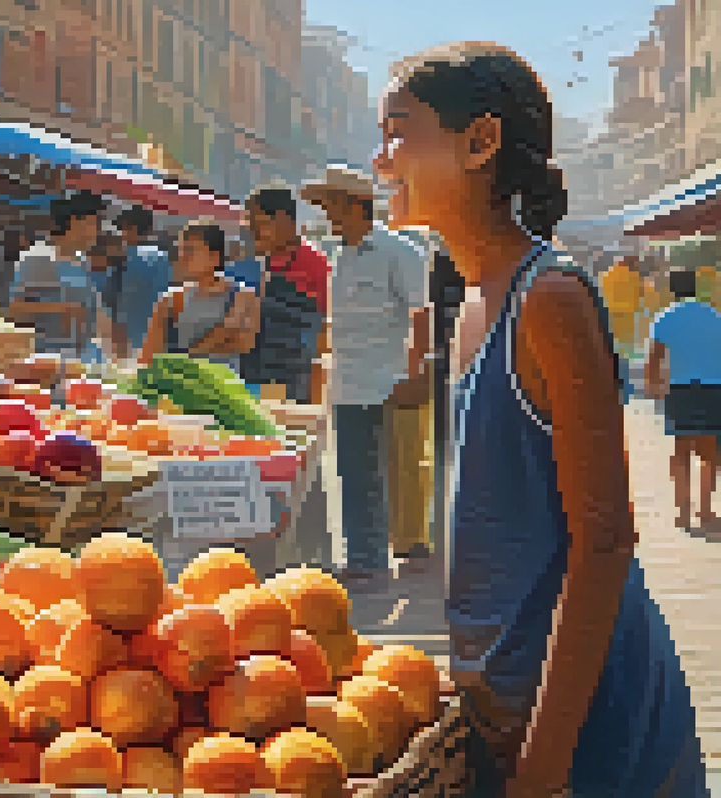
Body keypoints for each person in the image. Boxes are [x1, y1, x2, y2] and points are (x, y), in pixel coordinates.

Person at [374, 42, 704, 797]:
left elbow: (606, 542)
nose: (381, 157)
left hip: (589, 720)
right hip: (507, 707)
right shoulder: (471, 305)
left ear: (480, 142)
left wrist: (546, 766)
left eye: (398, 131)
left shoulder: (548, 298)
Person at [300, 165, 432, 584]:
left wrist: (416, 372)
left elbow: (420, 315)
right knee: (353, 474)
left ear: (358, 206)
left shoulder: (400, 252)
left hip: (386, 381)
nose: (329, 216)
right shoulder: (342, 257)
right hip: (347, 382)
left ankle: (372, 558)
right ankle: (364, 556)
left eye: (333, 206)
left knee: (382, 474)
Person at [646, 268, 721, 528]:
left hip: (679, 390)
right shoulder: (714, 315)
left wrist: (653, 387)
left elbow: (654, 358)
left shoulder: (665, 317)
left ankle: (683, 511)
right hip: (714, 388)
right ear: (696, 288)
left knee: (681, 451)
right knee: (710, 453)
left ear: (672, 290)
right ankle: (706, 510)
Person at [242, 187, 330, 403]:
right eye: (251, 227)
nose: (254, 234)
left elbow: (327, 327)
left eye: (260, 225)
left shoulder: (315, 263)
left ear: (283, 218)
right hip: (255, 371)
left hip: (295, 377)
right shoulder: (254, 263)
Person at [138, 220, 258, 370]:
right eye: (180, 250)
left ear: (214, 257)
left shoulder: (244, 296)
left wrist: (186, 356)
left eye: (190, 250)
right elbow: (148, 357)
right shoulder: (170, 300)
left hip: (222, 388)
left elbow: (243, 343)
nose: (182, 257)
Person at [8, 191, 110, 360]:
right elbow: (15, 310)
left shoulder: (81, 260)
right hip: (47, 359)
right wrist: (62, 308)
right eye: (95, 223)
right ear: (75, 222)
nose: (99, 231)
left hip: (81, 358)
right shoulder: (40, 257)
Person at [103, 205, 174, 359]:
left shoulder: (119, 257)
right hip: (157, 342)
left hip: (123, 343)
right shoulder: (164, 259)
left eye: (120, 229)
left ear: (132, 229)